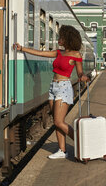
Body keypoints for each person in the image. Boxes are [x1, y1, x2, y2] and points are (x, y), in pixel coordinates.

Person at [14, 25, 89, 159]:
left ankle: (82, 142)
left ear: (67, 38)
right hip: (53, 87)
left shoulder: (76, 54)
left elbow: (79, 71)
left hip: (64, 87)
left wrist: (82, 76)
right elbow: (41, 53)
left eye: (61, 37)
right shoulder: (59, 52)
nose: (59, 39)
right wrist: (22, 48)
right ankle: (62, 150)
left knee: (59, 122)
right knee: (56, 121)